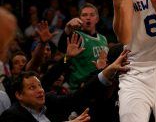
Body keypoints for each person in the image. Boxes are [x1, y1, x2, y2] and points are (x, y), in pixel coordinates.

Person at [0, 49, 130, 122]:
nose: (40, 90)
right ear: (19, 95)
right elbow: (50, 75)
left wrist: (108, 71)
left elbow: (79, 95)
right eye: (32, 87)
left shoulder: (50, 101)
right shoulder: (12, 116)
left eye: (39, 86)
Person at [58, 3, 109, 92]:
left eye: (92, 15)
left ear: (97, 19)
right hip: (80, 88)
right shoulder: (77, 36)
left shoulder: (103, 38)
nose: (88, 18)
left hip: (99, 86)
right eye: (84, 15)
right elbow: (62, 48)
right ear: (79, 19)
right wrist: (67, 29)